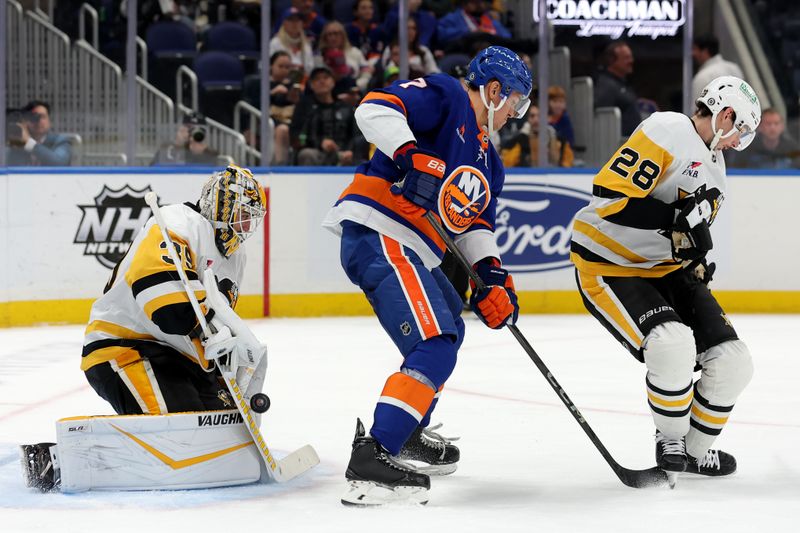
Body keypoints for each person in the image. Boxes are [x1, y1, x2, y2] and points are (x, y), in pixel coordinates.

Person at [322, 45, 532, 505]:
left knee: (450, 331)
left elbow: (475, 224)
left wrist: (493, 277)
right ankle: (375, 453)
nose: (517, 111)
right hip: (383, 229)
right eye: (516, 99)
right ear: (494, 90)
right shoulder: (447, 94)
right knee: (433, 339)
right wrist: (410, 153)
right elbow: (374, 108)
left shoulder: (488, 161)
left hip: (417, 247)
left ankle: (408, 430)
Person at [21, 166, 269, 492]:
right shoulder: (177, 222)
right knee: (182, 439)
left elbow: (213, 316)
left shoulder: (237, 257)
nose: (246, 226)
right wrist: (205, 323)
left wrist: (225, 339)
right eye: (242, 214)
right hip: (126, 347)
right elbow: (167, 307)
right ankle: (59, 459)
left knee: (224, 433)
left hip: (183, 359)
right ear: (222, 203)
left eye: (253, 218)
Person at [570, 76, 760, 485]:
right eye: (740, 130)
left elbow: (688, 237)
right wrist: (675, 218)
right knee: (672, 346)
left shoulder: (717, 171)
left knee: (734, 363)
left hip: (666, 270)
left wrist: (696, 259)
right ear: (725, 115)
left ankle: (692, 453)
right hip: (609, 264)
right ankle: (671, 440)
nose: (737, 142)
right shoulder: (668, 129)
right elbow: (611, 199)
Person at [290, 66, 364, 166]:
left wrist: (350, 151)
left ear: (333, 82)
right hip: (317, 153)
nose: (322, 81)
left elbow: (356, 135)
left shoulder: (345, 108)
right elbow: (296, 136)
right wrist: (320, 143)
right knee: (306, 154)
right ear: (311, 85)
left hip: (344, 154)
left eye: (325, 77)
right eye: (317, 79)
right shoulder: (304, 107)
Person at [594, 41, 642, 136]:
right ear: (612, 60)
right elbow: (603, 121)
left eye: (631, 57)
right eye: (626, 58)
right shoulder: (607, 86)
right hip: (618, 145)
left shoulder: (622, 83)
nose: (631, 61)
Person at [500, 104, 572, 167]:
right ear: (528, 119)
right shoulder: (519, 141)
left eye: (539, 116)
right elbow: (507, 165)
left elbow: (567, 166)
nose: (536, 120)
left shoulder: (561, 141)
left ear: (547, 118)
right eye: (532, 116)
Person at [6, 100, 72, 166]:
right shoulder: (19, 142)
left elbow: (59, 163)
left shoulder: (60, 141)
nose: (39, 121)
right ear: (26, 121)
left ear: (49, 121)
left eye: (43, 117)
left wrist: (29, 143)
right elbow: (11, 167)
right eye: (33, 117)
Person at [730, 107, 800, 169]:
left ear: (782, 126)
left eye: (776, 123)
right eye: (768, 124)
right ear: (760, 126)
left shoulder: (792, 148)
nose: (772, 128)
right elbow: (736, 169)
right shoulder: (747, 146)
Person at [316, 20, 372, 93]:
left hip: (355, 89)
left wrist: (358, 85)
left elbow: (366, 72)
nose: (333, 37)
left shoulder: (355, 52)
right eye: (329, 34)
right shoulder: (319, 56)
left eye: (336, 34)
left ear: (343, 35)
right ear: (325, 37)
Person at [151, 112, 219, 166]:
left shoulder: (208, 153)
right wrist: (179, 144)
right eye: (189, 128)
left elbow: (211, 173)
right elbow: (153, 169)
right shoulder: (167, 149)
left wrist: (199, 153)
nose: (191, 133)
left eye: (196, 130)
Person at [691, 34, 744, 102]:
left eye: (695, 49)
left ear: (705, 51)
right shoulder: (735, 68)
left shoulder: (702, 77)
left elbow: (697, 110)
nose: (693, 53)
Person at [269, 7, 314, 76]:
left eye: (298, 20)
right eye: (290, 20)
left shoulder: (306, 45)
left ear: (302, 23)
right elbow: (269, 68)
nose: (294, 23)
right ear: (283, 22)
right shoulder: (275, 43)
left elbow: (310, 69)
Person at [345, 0, 389, 65]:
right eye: (364, 8)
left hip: (376, 64)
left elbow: (383, 51)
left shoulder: (380, 31)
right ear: (355, 12)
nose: (368, 11)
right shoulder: (348, 30)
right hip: (354, 63)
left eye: (370, 8)